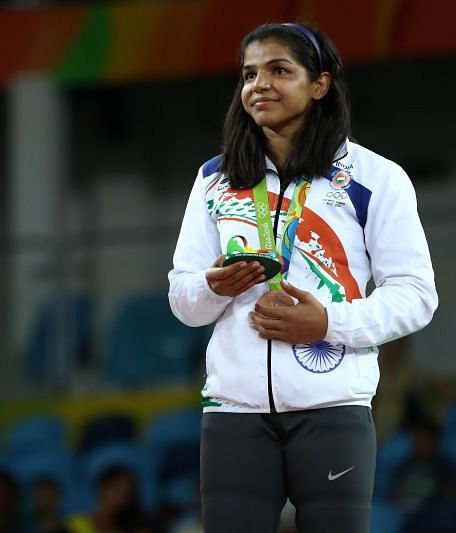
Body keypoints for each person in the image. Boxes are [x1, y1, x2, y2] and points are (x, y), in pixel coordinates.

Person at [167, 22, 437, 533]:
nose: (258, 85)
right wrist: (210, 287)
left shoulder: (375, 178)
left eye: (279, 70)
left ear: (320, 84)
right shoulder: (215, 180)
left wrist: (326, 323)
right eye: (249, 74)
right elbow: (183, 299)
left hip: (332, 408)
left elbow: (416, 294)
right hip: (233, 412)